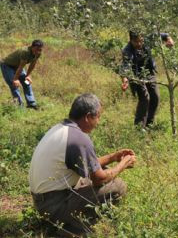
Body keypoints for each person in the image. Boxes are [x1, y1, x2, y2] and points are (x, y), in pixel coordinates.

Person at [29, 93, 136, 236]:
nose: (98, 122)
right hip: (54, 206)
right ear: (87, 117)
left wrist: (113, 157)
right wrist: (124, 163)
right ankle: (73, 228)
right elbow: (99, 178)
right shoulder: (78, 139)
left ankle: (64, 222)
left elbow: (89, 164)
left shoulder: (61, 129)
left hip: (44, 202)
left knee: (103, 170)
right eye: (98, 117)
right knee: (118, 186)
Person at [120, 31, 173, 128]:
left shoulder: (149, 39)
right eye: (136, 42)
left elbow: (164, 35)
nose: (139, 44)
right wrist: (125, 79)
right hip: (135, 76)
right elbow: (125, 66)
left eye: (141, 41)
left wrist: (169, 40)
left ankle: (149, 123)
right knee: (145, 98)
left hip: (149, 72)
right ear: (131, 40)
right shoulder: (127, 50)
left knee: (155, 97)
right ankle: (139, 127)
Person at [0, 39, 44, 109]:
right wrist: (15, 79)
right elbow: (21, 67)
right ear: (32, 47)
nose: (38, 51)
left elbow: (32, 64)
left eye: (40, 49)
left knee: (27, 83)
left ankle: (31, 104)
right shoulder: (25, 52)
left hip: (17, 66)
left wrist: (28, 75)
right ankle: (20, 106)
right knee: (14, 85)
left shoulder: (38, 53)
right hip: (7, 65)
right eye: (37, 49)